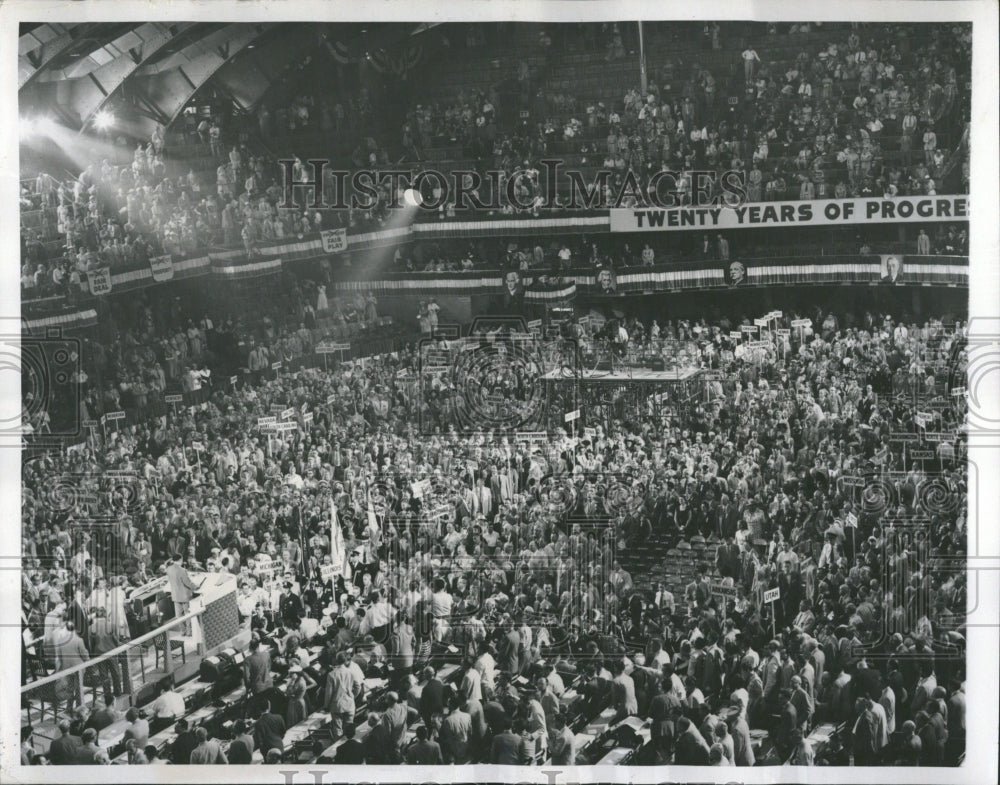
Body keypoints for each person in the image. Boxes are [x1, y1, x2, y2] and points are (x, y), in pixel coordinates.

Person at [165, 557, 199, 635]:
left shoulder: (169, 569)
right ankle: (189, 632)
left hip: (175, 595)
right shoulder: (182, 570)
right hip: (184, 595)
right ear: (180, 560)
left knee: (178, 615)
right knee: (187, 614)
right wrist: (196, 586)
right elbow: (187, 582)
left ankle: (182, 631)